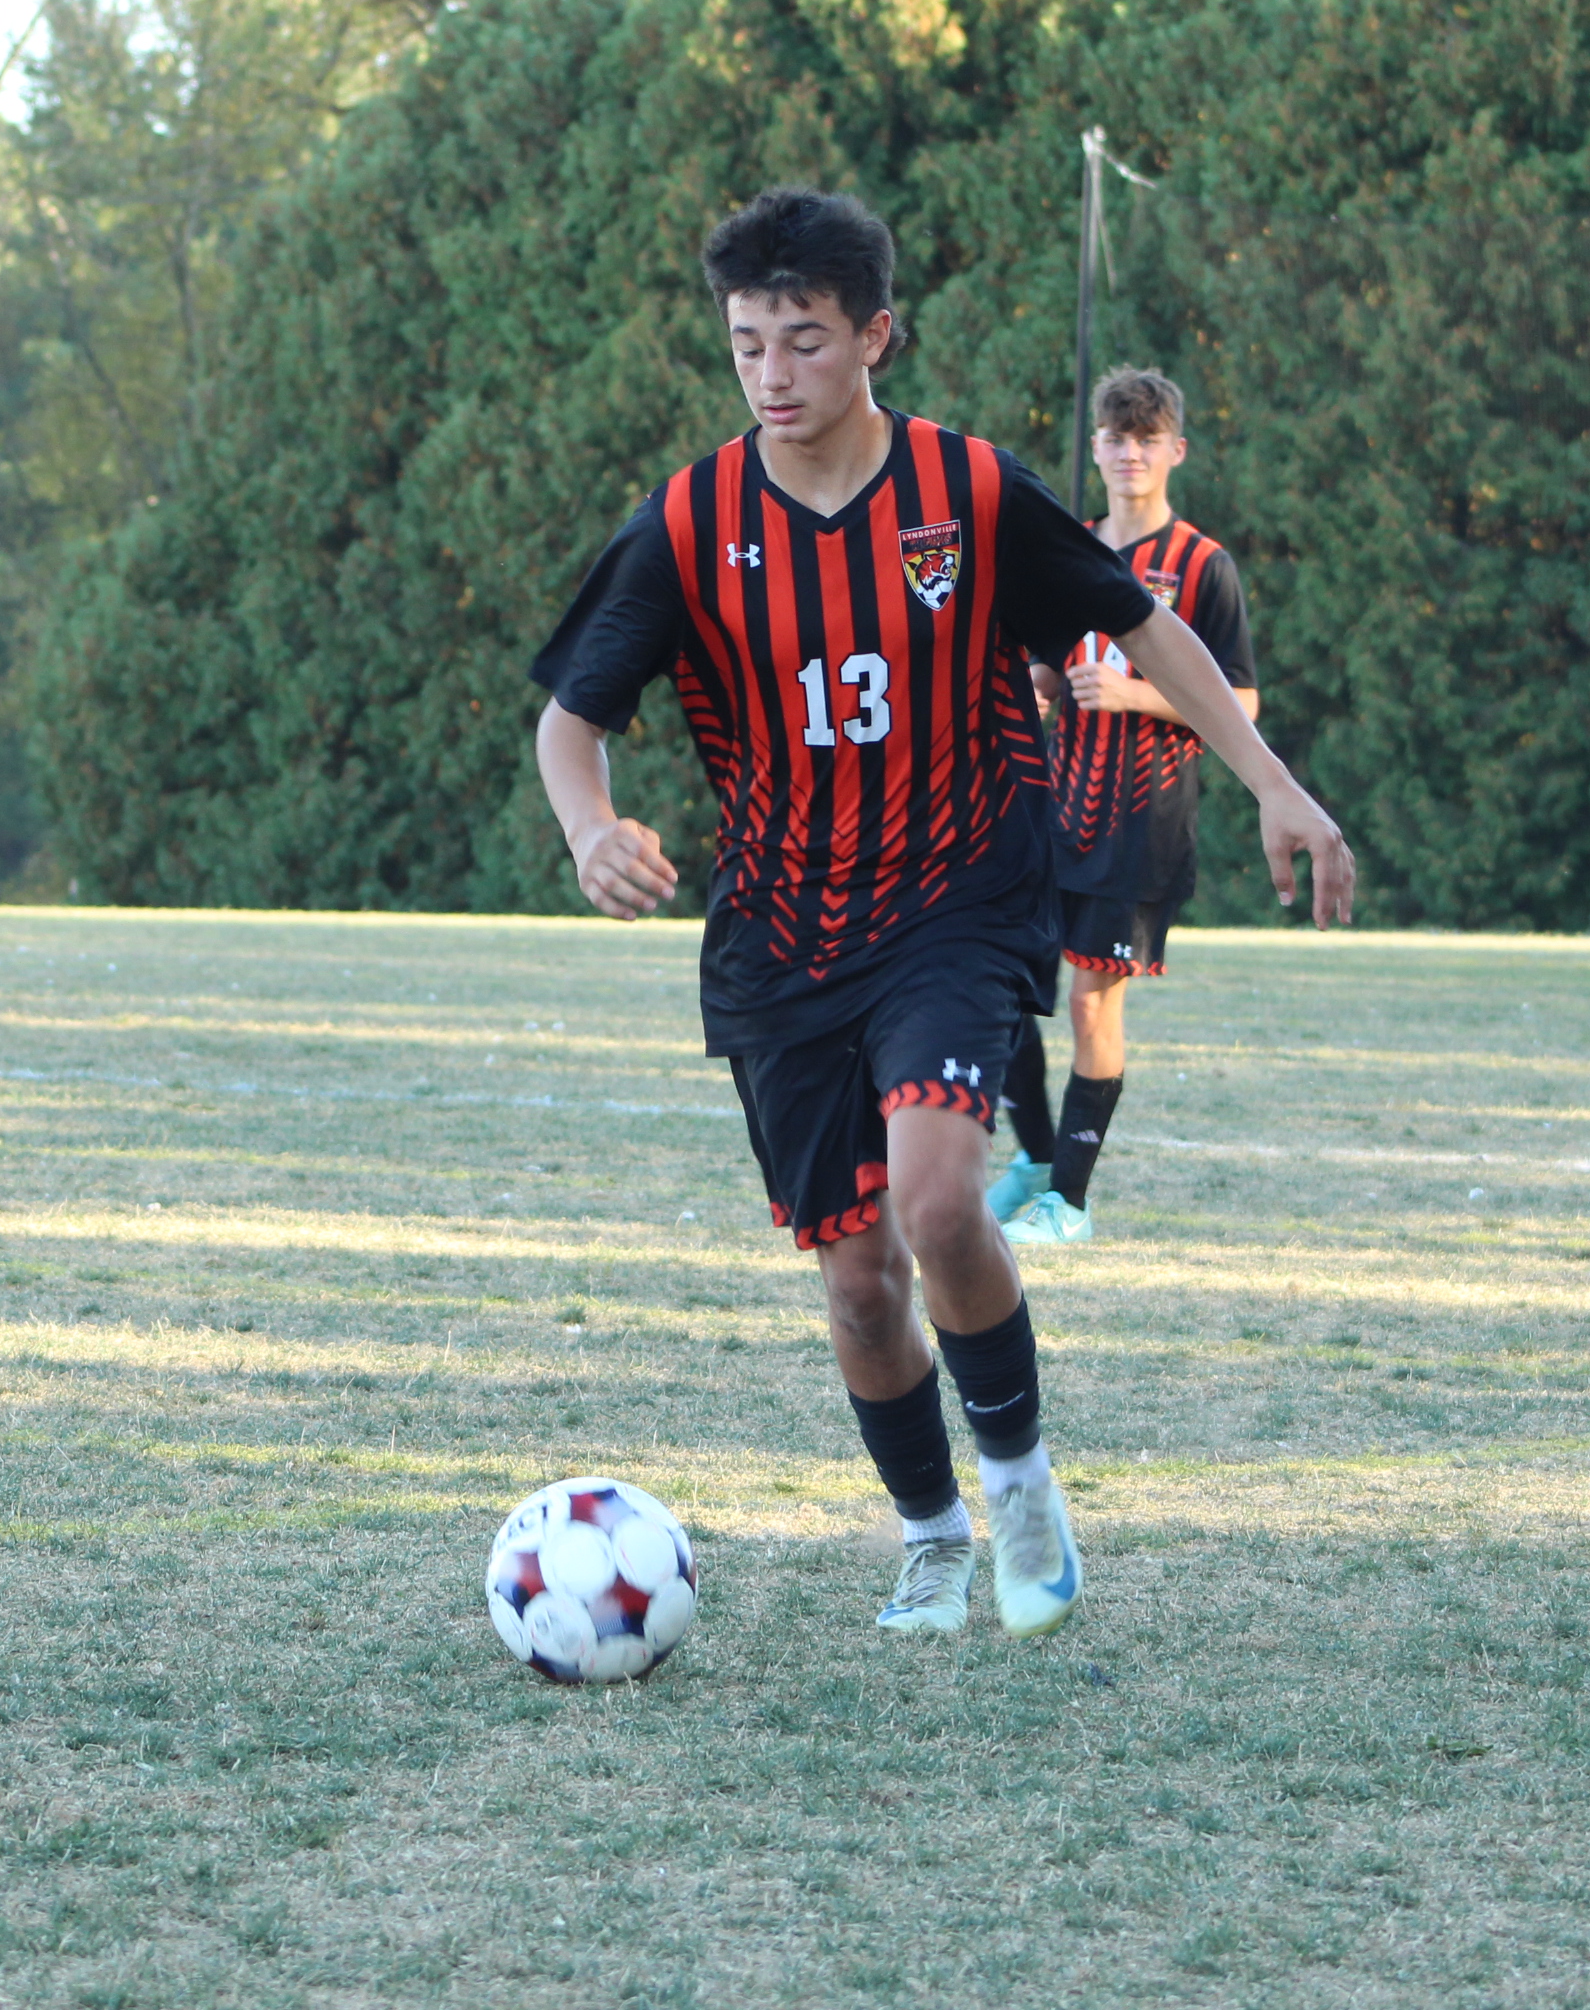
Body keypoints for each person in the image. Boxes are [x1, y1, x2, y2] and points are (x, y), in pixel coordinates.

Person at [530, 187, 1352, 1639]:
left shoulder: (967, 495)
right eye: (747, 346)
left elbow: (1140, 619)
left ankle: (1025, 1487)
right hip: (782, 939)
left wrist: (1277, 787)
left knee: (940, 1202)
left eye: (804, 341)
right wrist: (592, 831)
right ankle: (932, 1537)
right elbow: (570, 722)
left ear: (876, 337)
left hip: (957, 905)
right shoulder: (692, 517)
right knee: (857, 1283)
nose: (774, 376)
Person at [990, 368, 1257, 1247]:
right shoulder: (1069, 546)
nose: (1129, 452)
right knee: (995, 986)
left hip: (1138, 821)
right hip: (1042, 810)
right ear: (1096, 448)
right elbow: (1040, 668)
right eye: (1115, 436)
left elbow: (1241, 705)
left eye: (1147, 438)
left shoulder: (1201, 566)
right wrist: (1027, 694)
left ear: (1175, 451)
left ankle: (1069, 1199)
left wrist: (1131, 693)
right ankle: (1031, 1160)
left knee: (1091, 1006)